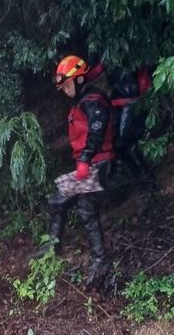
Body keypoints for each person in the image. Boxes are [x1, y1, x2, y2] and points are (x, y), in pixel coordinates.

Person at [37, 55, 116, 289]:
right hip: (91, 163)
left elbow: (96, 129)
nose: (65, 90)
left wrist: (85, 158)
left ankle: (100, 260)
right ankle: (51, 249)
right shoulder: (84, 99)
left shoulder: (93, 100)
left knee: (84, 206)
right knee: (58, 200)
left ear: (80, 80)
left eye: (68, 85)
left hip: (98, 164)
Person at [110, 65, 155, 190]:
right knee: (121, 144)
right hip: (122, 97)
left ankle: (147, 180)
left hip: (132, 97)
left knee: (126, 143)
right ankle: (142, 180)